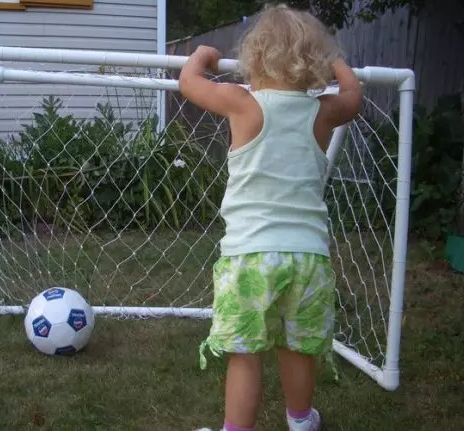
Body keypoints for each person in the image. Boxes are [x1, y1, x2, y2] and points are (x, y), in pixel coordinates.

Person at [178, 4, 363, 431]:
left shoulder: (242, 103)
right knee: (298, 348)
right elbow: (354, 96)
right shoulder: (322, 111)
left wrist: (203, 56)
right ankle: (301, 421)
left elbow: (189, 82)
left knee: (246, 355)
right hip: (308, 259)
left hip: (250, 258)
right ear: (314, 61)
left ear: (254, 58)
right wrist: (338, 64)